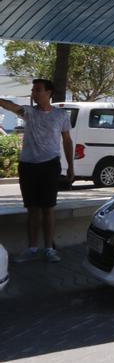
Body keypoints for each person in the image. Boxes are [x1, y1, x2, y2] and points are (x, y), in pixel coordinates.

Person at [0, 79, 74, 263]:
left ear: (49, 93)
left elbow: (67, 140)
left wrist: (71, 167)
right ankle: (32, 248)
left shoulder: (61, 115)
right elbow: (11, 106)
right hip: (28, 166)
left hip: (49, 166)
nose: (34, 93)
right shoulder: (29, 112)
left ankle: (49, 248)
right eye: (33, 90)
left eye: (38, 90)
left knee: (48, 208)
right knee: (32, 209)